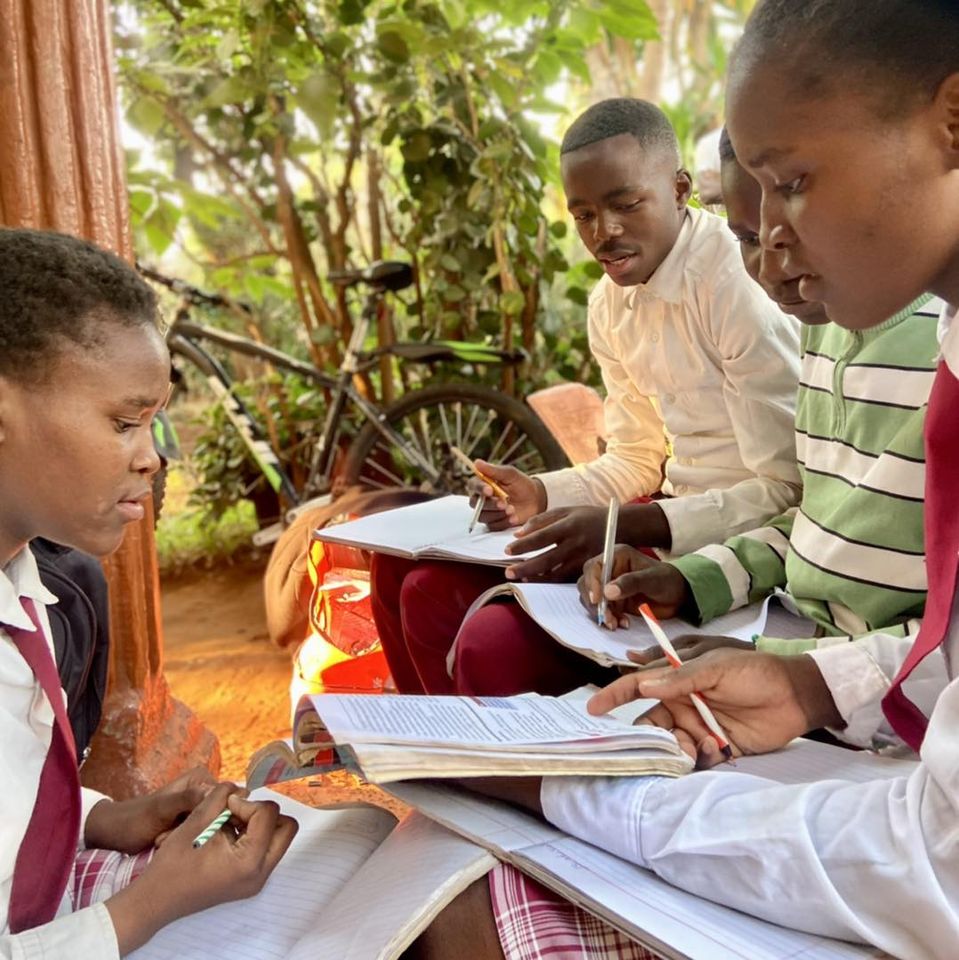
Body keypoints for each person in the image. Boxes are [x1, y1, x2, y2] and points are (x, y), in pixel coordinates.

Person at [445, 3, 959, 958]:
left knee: (465, 897)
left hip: (875, 783)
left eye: (792, 186)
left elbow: (938, 868)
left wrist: (574, 788)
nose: (771, 250)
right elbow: (829, 543)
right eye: (751, 210)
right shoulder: (869, 333)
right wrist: (812, 686)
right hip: (819, 660)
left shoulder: (862, 325)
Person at [373, 98, 802, 696]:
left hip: (733, 542)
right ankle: (445, 761)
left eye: (626, 204)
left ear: (681, 190)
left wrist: (627, 522)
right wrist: (541, 493)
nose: (605, 233)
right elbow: (636, 455)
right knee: (406, 576)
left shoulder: (736, 283)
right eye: (583, 216)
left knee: (490, 646)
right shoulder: (610, 303)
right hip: (658, 517)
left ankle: (531, 771)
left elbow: (788, 490)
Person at [0, 228, 297, 957]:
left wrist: (103, 817)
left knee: (363, 840)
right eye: (124, 423)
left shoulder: (35, 590)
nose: (152, 457)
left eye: (154, 421)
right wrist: (150, 906)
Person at [577, 128, 943, 689]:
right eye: (747, 239)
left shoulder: (938, 355)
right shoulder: (826, 333)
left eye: (791, 233)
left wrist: (788, 672)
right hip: (804, 643)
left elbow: (939, 650)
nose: (770, 271)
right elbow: (815, 523)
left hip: (871, 701)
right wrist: (692, 579)